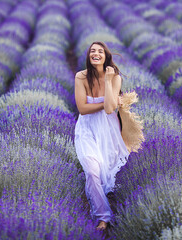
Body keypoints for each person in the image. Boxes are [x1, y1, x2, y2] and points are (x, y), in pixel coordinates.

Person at [74, 41, 130, 231]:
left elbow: (108, 110)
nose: (95, 53)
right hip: (86, 131)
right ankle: (103, 217)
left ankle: (121, 209)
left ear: (106, 56)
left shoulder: (115, 79)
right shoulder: (80, 77)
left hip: (108, 132)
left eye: (100, 51)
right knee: (92, 172)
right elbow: (82, 108)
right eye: (92, 51)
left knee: (110, 172)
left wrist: (107, 81)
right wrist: (110, 100)